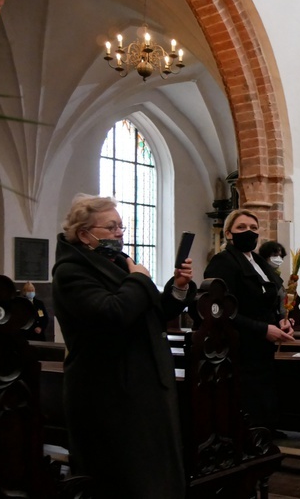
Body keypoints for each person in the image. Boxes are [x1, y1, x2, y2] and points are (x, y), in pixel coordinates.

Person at [51, 194, 196, 498]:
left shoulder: (116, 263)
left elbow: (153, 313)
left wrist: (178, 289)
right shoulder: (70, 271)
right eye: (112, 227)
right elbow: (112, 314)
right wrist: (140, 280)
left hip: (140, 386)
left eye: (121, 227)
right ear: (84, 234)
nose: (119, 233)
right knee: (124, 481)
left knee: (153, 477)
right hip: (109, 393)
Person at [204, 209, 294, 433]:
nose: (249, 232)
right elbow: (222, 309)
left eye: (254, 228)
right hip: (240, 344)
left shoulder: (258, 263)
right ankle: (252, 436)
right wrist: (263, 329)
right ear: (228, 233)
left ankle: (266, 431)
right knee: (249, 396)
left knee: (264, 390)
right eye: (241, 227)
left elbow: (269, 299)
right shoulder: (223, 262)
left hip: (262, 345)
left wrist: (281, 321)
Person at [259, 240, 288, 316]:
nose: (278, 259)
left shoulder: (276, 274)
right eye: (275, 255)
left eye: (281, 256)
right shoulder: (261, 274)